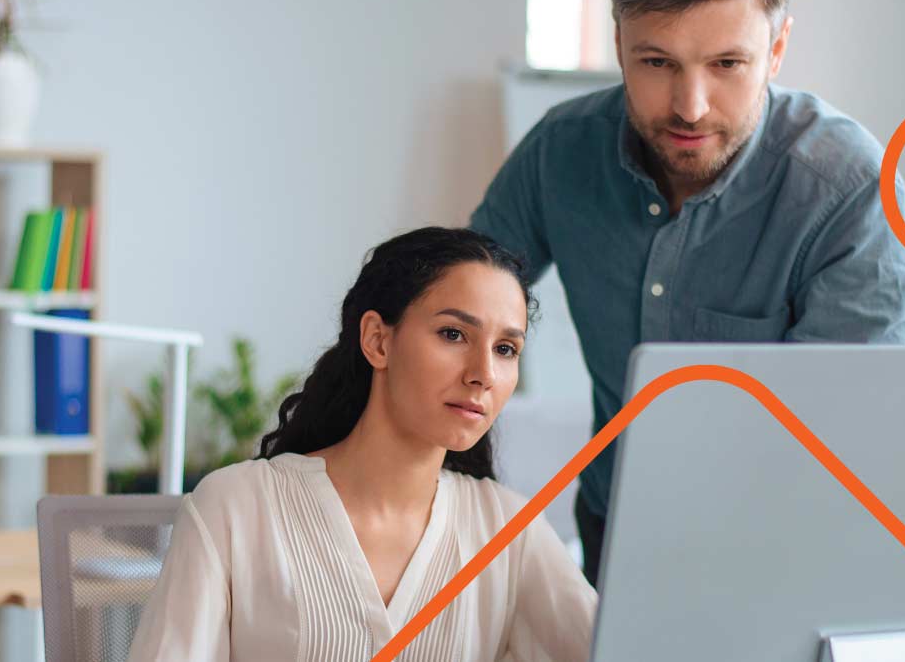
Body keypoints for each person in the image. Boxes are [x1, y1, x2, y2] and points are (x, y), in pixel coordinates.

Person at [470, 0, 905, 586]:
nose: (691, 107)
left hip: (780, 543)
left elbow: (839, 435)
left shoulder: (851, 188)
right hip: (612, 527)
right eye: (657, 62)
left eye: (727, 64)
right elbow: (457, 305)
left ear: (777, 48)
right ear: (620, 44)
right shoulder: (559, 151)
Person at [128, 227, 596, 662]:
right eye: (453, 334)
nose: (484, 374)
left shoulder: (509, 530)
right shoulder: (236, 507)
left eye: (505, 349)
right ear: (377, 341)